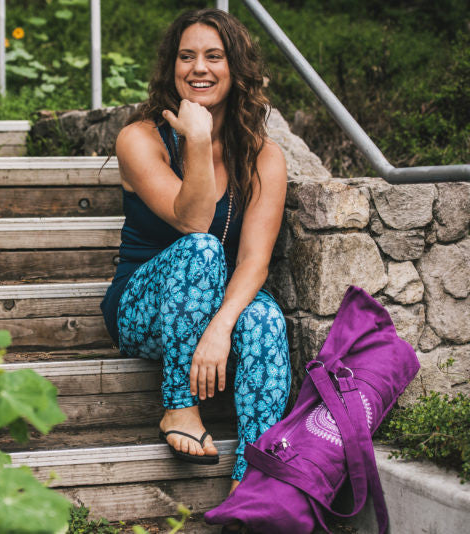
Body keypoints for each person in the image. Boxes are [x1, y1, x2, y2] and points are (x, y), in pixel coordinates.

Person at [100, 8, 291, 495]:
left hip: (217, 307)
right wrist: (199, 140)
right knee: (202, 248)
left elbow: (253, 261)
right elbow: (193, 221)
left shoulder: (264, 156)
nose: (199, 68)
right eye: (187, 57)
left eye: (214, 56)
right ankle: (179, 405)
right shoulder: (140, 140)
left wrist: (222, 327)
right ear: (171, 67)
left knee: (267, 321)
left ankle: (255, 486)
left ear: (237, 68)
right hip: (143, 309)